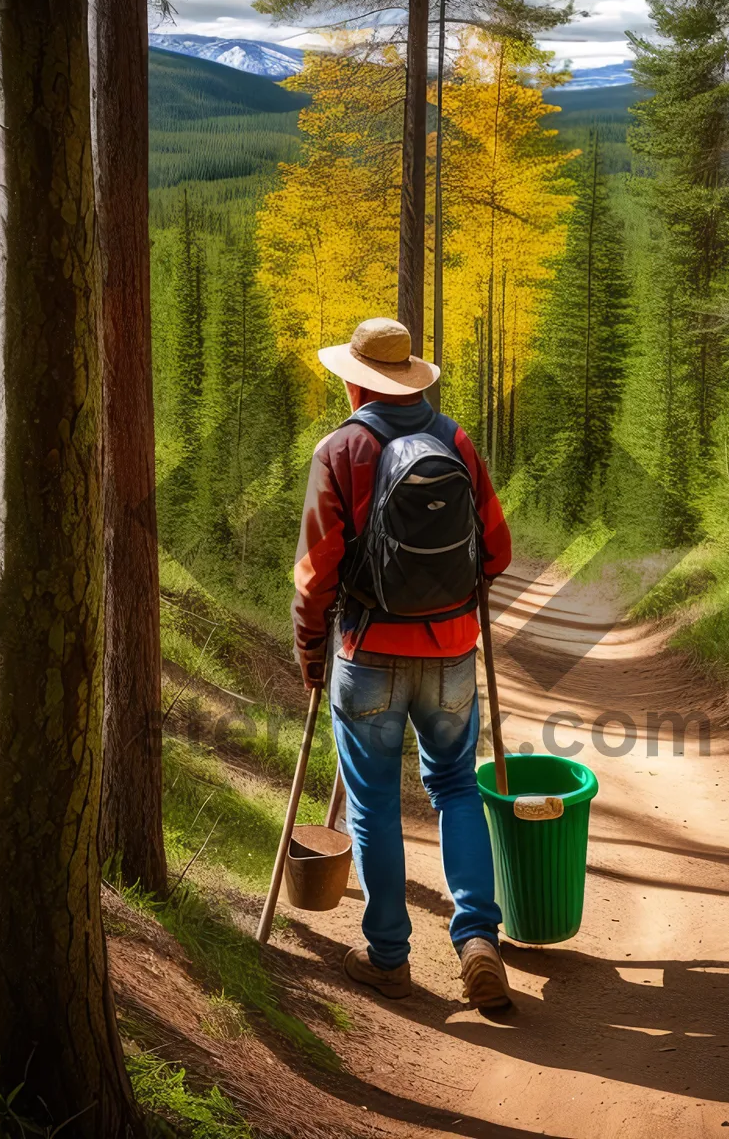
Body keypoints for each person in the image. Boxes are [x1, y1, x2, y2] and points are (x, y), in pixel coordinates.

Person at [292, 317, 513, 1009]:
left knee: (375, 804)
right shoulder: (456, 442)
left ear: (358, 380)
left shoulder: (340, 450)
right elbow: (498, 553)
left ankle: (389, 956)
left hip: (367, 653)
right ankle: (477, 937)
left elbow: (313, 576)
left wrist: (310, 652)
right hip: (451, 652)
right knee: (456, 789)